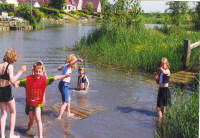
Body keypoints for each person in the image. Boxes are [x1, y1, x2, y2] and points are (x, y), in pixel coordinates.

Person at [14, 61, 72, 138]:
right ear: (33, 71)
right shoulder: (27, 80)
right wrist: (16, 83)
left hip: (38, 104)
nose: (38, 73)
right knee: (31, 120)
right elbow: (17, 82)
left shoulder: (44, 79)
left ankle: (40, 136)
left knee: (38, 118)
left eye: (40, 72)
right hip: (30, 104)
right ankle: (28, 128)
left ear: (42, 71)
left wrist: (64, 76)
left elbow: (55, 77)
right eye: (36, 71)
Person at [0, 48, 26, 138]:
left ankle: (2, 135)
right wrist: (21, 71)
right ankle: (11, 135)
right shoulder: (10, 66)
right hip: (7, 91)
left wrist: (13, 83)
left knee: (3, 114)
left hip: (0, 91)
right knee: (13, 112)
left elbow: (5, 78)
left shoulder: (0, 65)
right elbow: (12, 79)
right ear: (12, 58)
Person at [57, 54, 83, 120]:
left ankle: (68, 113)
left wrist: (62, 66)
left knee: (68, 99)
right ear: (72, 61)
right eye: (74, 61)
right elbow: (71, 63)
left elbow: (58, 68)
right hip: (64, 85)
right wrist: (77, 60)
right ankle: (59, 117)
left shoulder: (66, 66)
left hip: (62, 85)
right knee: (65, 102)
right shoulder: (68, 66)